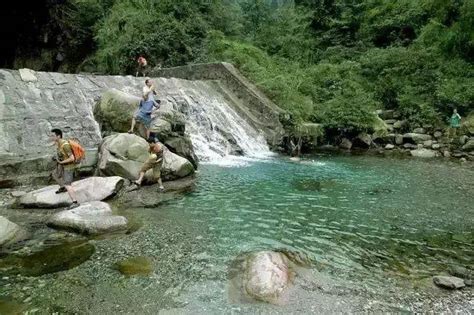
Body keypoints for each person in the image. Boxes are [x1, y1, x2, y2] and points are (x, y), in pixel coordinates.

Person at [51, 128, 80, 209]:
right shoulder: (58, 143)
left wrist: (61, 162)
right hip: (63, 165)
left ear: (58, 136)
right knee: (55, 174)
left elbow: (72, 158)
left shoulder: (65, 145)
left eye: (53, 136)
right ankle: (62, 187)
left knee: (68, 184)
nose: (51, 137)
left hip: (69, 167)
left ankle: (75, 202)